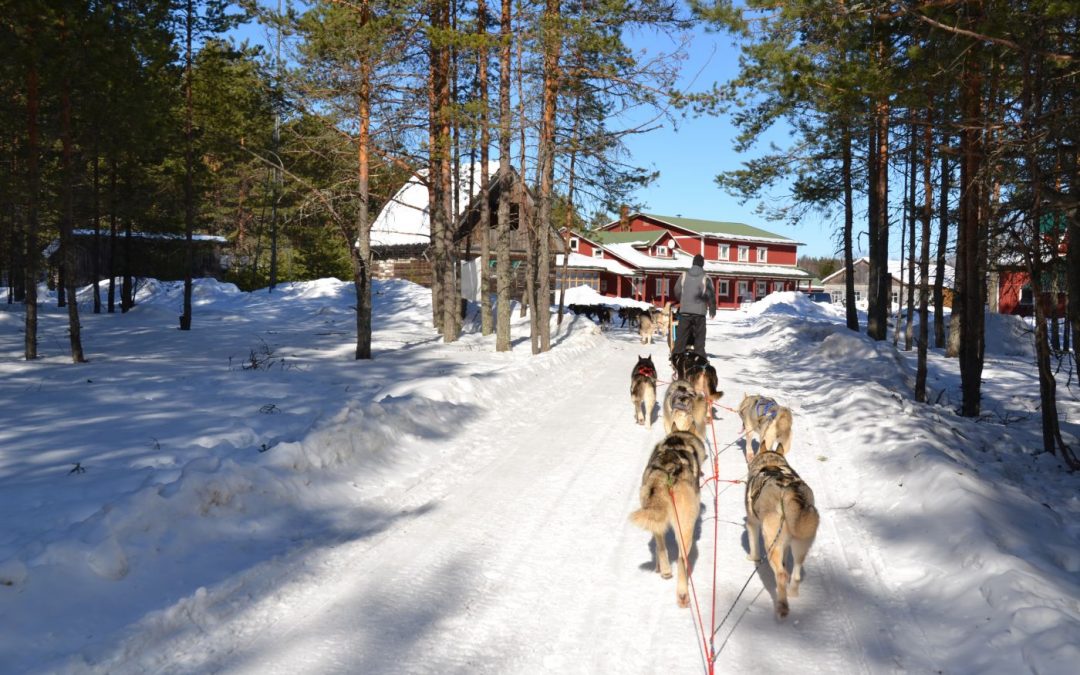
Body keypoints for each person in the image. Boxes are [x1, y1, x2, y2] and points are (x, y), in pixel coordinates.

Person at [672, 253, 716, 355]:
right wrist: (712, 308)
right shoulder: (706, 278)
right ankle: (699, 359)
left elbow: (677, 290)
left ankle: (677, 359)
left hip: (685, 314)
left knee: (681, 340)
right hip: (699, 315)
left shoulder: (683, 276)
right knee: (699, 341)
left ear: (693, 263)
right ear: (702, 264)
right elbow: (711, 294)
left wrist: (683, 300)